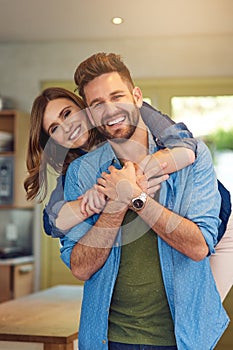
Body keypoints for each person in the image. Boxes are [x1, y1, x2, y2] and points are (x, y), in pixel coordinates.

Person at [59, 52, 229, 350]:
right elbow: (80, 267)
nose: (110, 110)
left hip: (183, 337)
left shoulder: (192, 157)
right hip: (108, 339)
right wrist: (114, 206)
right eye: (97, 104)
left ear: (137, 96)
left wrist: (135, 197)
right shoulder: (81, 173)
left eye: (117, 96)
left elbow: (198, 246)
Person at [24, 87, 197, 234]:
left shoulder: (128, 112)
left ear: (83, 106)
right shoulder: (76, 168)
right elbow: (52, 222)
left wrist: (121, 184)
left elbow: (185, 146)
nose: (67, 127)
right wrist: (102, 198)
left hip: (212, 215)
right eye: (55, 128)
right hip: (178, 233)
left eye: (67, 114)